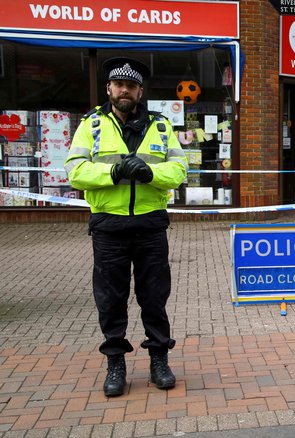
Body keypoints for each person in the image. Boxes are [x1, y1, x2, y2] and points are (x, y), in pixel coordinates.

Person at [65, 57, 188, 397]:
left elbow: (179, 170)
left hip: (150, 226)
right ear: (109, 89)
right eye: (119, 85)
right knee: (111, 300)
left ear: (140, 91)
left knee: (154, 298)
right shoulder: (91, 125)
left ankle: (159, 360)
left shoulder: (161, 127)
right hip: (109, 227)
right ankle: (115, 363)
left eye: (131, 86)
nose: (124, 90)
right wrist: (113, 173)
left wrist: (151, 173)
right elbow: (74, 170)